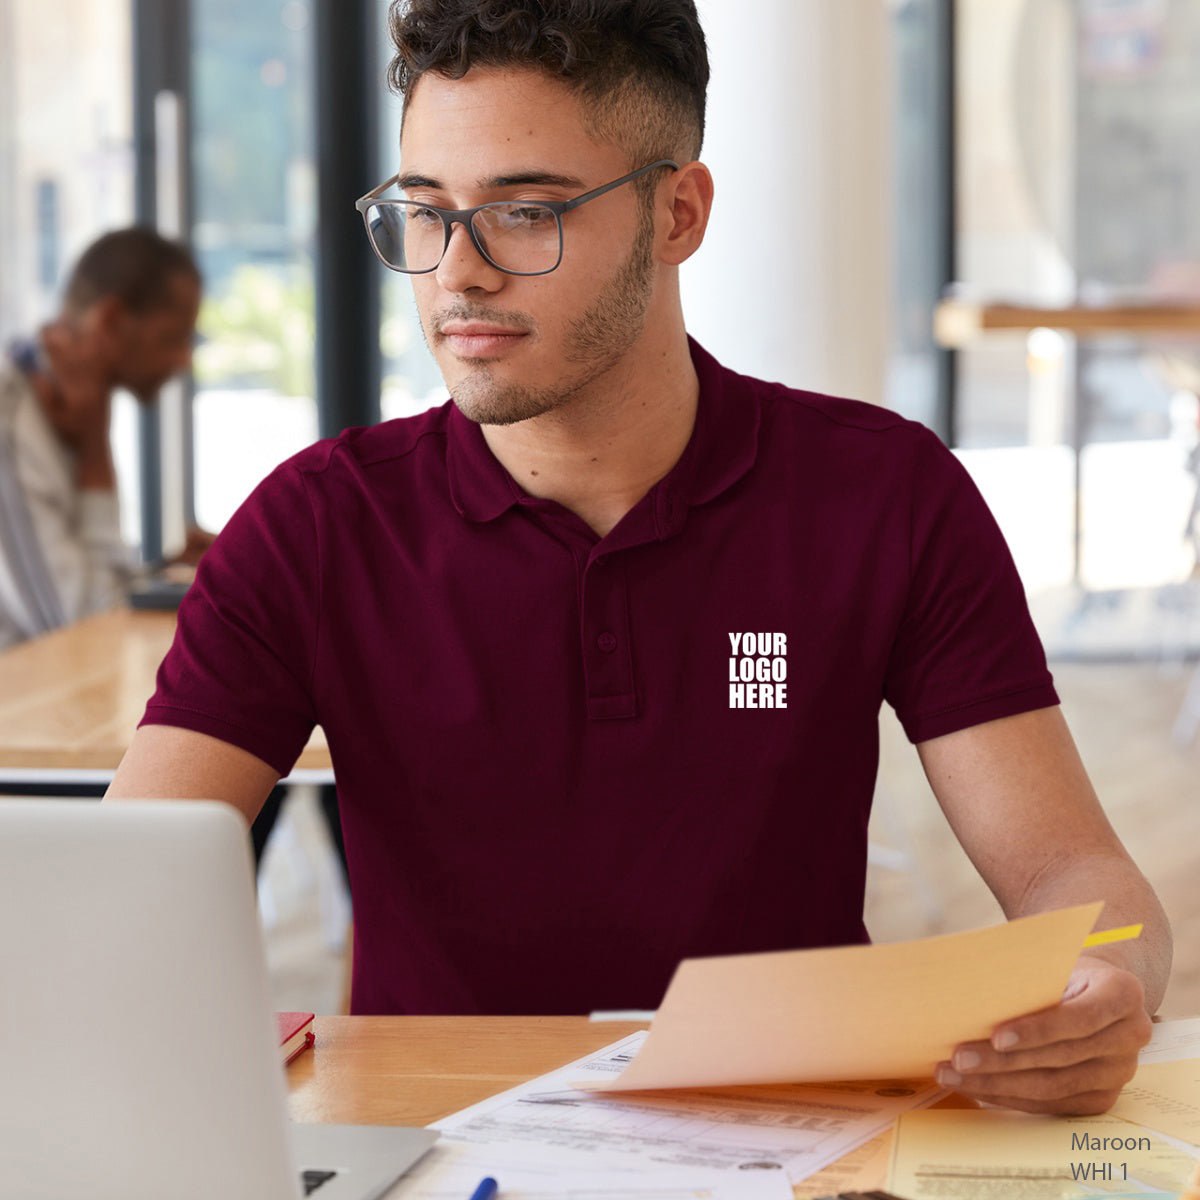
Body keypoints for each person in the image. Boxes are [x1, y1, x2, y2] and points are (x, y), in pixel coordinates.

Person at [108, 0, 1170, 1116]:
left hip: (794, 1139)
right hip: (436, 1149)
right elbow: (115, 893)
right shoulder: (313, 528)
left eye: (523, 212)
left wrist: (1105, 989)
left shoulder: (884, 494)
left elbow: (1073, 877)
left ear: (677, 213)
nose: (455, 275)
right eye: (425, 213)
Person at [0, 227, 203, 650]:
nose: (184, 359)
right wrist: (95, 451)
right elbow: (78, 627)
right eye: (174, 337)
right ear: (110, 320)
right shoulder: (10, 418)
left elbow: (93, 597)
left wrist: (160, 575)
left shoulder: (73, 409)